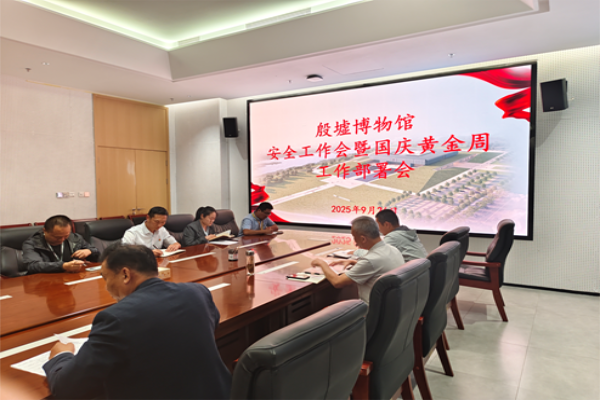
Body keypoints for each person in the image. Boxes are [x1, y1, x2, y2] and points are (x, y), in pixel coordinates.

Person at [43, 244, 231, 400]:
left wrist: (61, 356)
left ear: (125, 274)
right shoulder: (197, 292)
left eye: (106, 278)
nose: (106, 287)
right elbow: (210, 325)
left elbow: (67, 388)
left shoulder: (116, 318)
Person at [311, 216, 405, 303]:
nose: (355, 242)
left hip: (371, 311)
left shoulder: (371, 260)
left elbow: (337, 282)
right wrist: (354, 262)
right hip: (393, 306)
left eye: (354, 237)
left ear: (363, 239)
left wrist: (322, 263)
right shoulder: (393, 249)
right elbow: (378, 268)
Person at [22, 215, 100, 274]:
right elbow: (33, 266)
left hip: (70, 278)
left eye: (66, 236)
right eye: (57, 237)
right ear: (45, 231)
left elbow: (99, 256)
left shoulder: (75, 238)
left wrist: (90, 251)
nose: (62, 240)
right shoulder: (32, 243)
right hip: (44, 282)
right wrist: (63, 266)